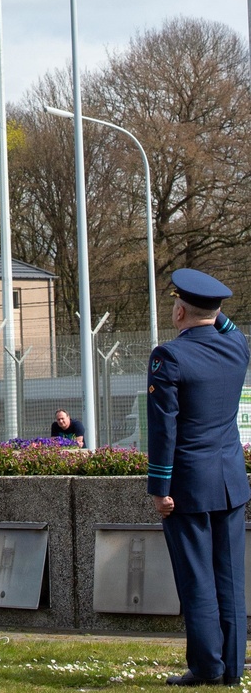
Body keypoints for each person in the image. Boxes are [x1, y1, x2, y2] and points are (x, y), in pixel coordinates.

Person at [147, 268, 250, 687]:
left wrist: (159, 488)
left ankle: (208, 668)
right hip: (230, 481)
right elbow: (227, 325)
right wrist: (213, 311)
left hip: (188, 486)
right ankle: (233, 669)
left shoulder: (168, 356)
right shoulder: (238, 347)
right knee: (230, 579)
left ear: (178, 311)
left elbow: (163, 429)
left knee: (197, 580)